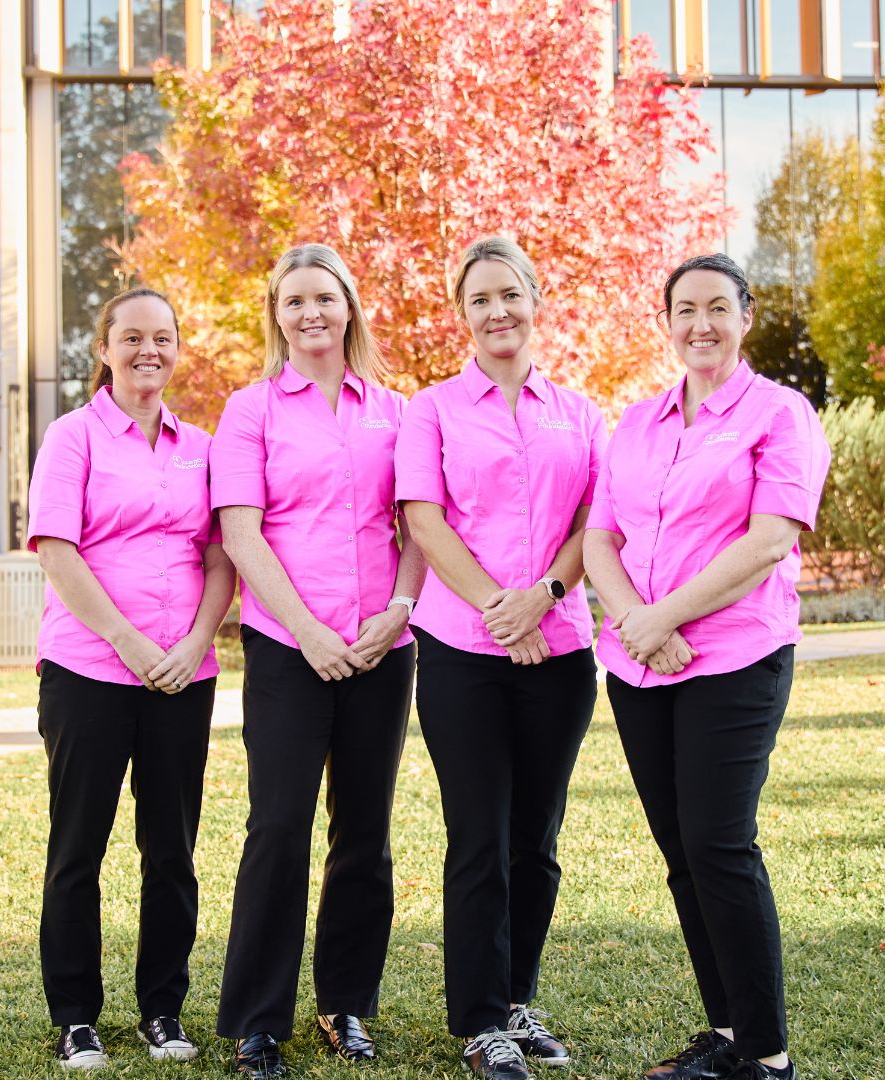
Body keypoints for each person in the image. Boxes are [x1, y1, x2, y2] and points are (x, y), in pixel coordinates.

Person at [581, 254, 831, 1080]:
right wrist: (633, 622)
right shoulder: (638, 422)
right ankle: (726, 1035)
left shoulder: (780, 413)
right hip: (641, 663)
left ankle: (768, 1055)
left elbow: (770, 540)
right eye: (685, 309)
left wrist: (664, 617)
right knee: (683, 850)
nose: (701, 325)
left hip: (735, 656)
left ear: (746, 315)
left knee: (722, 845)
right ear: (667, 321)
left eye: (717, 307)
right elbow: (599, 539)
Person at [211, 243, 427, 1080]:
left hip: (383, 648)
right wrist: (306, 630)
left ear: (349, 307)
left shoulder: (396, 412)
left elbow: (417, 527)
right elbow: (240, 533)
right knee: (279, 828)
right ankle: (257, 1022)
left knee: (364, 833)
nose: (310, 314)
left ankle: (345, 1007)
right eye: (293, 301)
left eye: (324, 299)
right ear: (277, 314)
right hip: (288, 647)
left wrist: (394, 616)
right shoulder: (250, 410)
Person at [394, 237, 604, 1080]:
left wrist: (543, 597)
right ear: (463, 315)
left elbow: (598, 518)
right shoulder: (432, 409)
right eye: (480, 299)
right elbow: (424, 518)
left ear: (536, 300)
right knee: (478, 835)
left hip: (559, 646)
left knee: (537, 838)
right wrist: (498, 607)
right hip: (462, 651)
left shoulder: (580, 412)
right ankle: (480, 1021)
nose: (497, 311)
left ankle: (518, 997)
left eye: (510, 294)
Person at [26, 287, 235, 1070]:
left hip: (184, 674)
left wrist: (194, 641)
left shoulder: (203, 447)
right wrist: (127, 641)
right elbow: (56, 548)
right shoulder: (73, 437)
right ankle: (76, 1015)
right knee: (78, 846)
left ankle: (162, 1010)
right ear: (104, 349)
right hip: (88, 670)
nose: (150, 351)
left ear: (178, 349)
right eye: (133, 338)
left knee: (171, 849)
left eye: (164, 338)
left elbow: (221, 556)